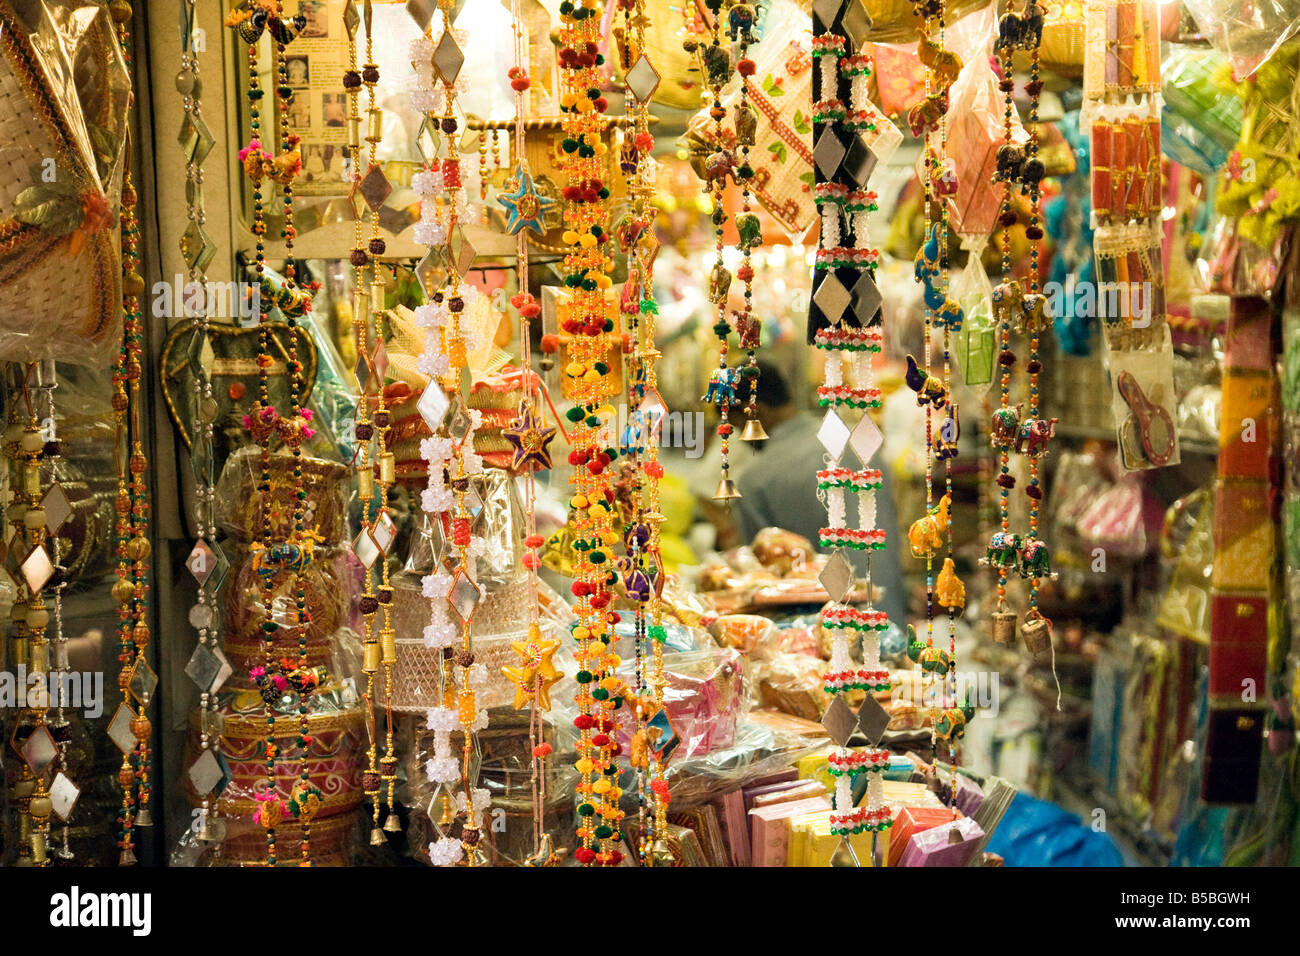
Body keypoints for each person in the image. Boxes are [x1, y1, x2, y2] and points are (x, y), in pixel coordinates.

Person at [731, 360, 906, 626]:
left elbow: (763, 582)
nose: (740, 439)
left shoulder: (756, 480)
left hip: (820, 640)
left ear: (758, 413)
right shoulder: (856, 442)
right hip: (890, 615)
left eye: (737, 427)